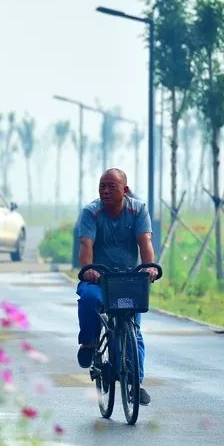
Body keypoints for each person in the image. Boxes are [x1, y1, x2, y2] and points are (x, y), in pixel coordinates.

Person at [76, 168, 158, 405]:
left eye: (112, 186)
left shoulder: (138, 210)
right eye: (102, 185)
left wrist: (149, 267)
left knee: (134, 327)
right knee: (90, 300)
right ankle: (90, 343)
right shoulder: (91, 212)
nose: (106, 190)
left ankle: (136, 382)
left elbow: (145, 242)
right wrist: (88, 269)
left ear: (126, 190)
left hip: (128, 279)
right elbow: (86, 243)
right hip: (98, 278)